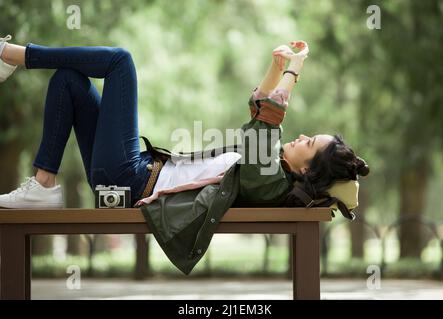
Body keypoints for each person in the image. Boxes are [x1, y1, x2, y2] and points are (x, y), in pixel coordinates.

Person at [0, 35, 369, 211]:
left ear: (306, 170)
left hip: (132, 180)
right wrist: (277, 68)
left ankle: (11, 55)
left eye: (308, 143)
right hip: (134, 173)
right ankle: (44, 186)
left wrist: (294, 70)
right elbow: (259, 115)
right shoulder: (270, 169)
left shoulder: (272, 181)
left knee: (120, 62)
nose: (301, 136)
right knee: (68, 80)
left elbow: (264, 122)